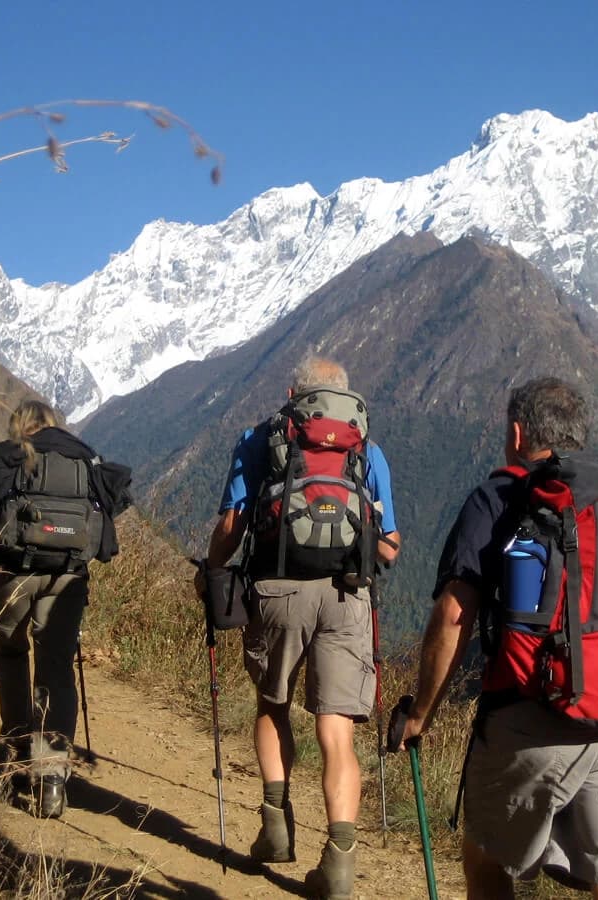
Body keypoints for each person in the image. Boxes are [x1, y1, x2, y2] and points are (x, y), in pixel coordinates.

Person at [393, 377, 598, 900]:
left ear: (517, 434)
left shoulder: (499, 497)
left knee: (484, 856)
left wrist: (420, 713)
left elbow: (456, 614)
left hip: (534, 720)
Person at [205, 355, 401, 899]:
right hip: (347, 595)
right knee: (336, 732)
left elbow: (232, 523)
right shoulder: (367, 449)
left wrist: (215, 570)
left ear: (294, 393)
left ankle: (274, 826)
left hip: (277, 590)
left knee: (274, 704)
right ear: (346, 398)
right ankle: (339, 862)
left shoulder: (261, 438)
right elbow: (390, 544)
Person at [0, 399, 130, 819]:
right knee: (55, 669)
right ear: (54, 425)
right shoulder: (84, 457)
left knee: (11, 653)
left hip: (10, 573)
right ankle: (53, 773)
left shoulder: (3, 454)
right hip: (67, 578)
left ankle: (19, 753)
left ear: (20, 426)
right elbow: (109, 513)